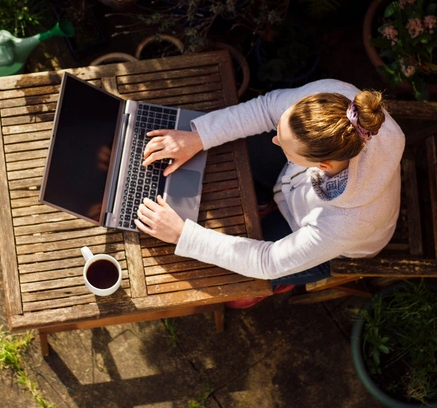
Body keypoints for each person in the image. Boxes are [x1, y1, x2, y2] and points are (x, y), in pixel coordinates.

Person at [134, 79, 405, 304]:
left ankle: (281, 280)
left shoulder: (345, 224)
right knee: (242, 146)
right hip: (298, 189)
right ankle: (268, 201)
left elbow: (269, 260)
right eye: (279, 131)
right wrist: (198, 138)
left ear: (322, 165)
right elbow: (265, 109)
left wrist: (183, 235)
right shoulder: (335, 102)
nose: (274, 140)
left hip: (334, 245)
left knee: (236, 290)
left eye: (284, 146)